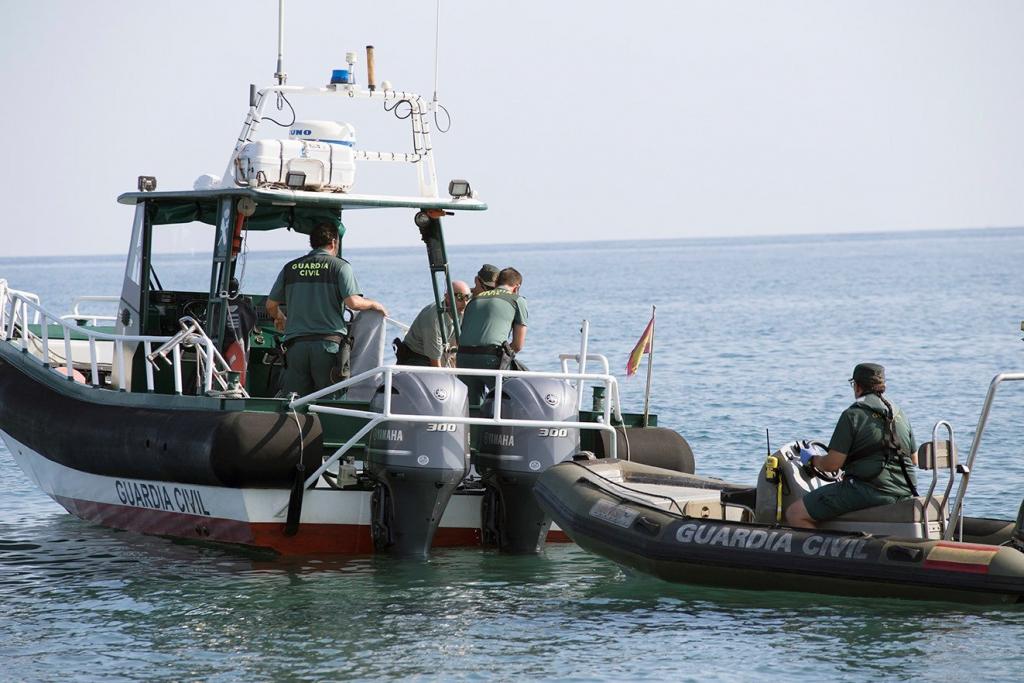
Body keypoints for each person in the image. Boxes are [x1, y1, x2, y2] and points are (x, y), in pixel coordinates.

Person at [786, 363, 918, 529]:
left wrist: (812, 460)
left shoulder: (853, 415)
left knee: (795, 513)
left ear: (857, 386)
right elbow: (914, 459)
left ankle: (822, 554)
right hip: (905, 490)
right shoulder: (899, 413)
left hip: (870, 490)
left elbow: (832, 465)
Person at [266, 223, 387, 396]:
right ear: (333, 242)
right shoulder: (340, 267)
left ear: (312, 243)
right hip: (327, 347)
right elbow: (353, 302)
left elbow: (270, 305)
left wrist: (280, 318)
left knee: (294, 402)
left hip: (295, 348)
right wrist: (374, 304)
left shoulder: (290, 268)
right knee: (330, 401)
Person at [457, 267, 528, 405]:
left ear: (496, 283)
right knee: (515, 395)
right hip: (490, 358)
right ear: (516, 287)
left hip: (463, 358)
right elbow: (518, 345)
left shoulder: (474, 300)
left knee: (472, 407)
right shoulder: (517, 300)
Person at [397, 280, 471, 367]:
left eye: (467, 297)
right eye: (460, 297)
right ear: (447, 297)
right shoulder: (434, 319)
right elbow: (435, 364)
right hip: (415, 358)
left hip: (438, 354)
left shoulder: (460, 311)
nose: (465, 302)